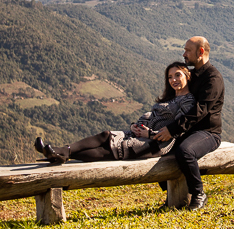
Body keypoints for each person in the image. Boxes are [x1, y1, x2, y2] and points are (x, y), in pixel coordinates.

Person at [34, 62, 194, 163]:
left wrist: (150, 135)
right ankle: (61, 151)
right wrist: (135, 126)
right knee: (106, 135)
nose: (173, 80)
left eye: (177, 75)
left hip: (157, 142)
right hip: (142, 134)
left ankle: (60, 153)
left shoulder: (188, 101)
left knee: (108, 151)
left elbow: (178, 128)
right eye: (170, 77)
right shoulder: (169, 98)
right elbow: (152, 117)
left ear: (187, 75)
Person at [152, 36, 224, 211]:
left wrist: (172, 130)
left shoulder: (212, 78)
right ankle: (172, 194)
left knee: (185, 151)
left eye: (187, 50)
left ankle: (198, 193)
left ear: (200, 52)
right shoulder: (192, 74)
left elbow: (199, 111)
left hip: (208, 133)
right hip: (189, 130)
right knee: (157, 147)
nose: (184, 54)